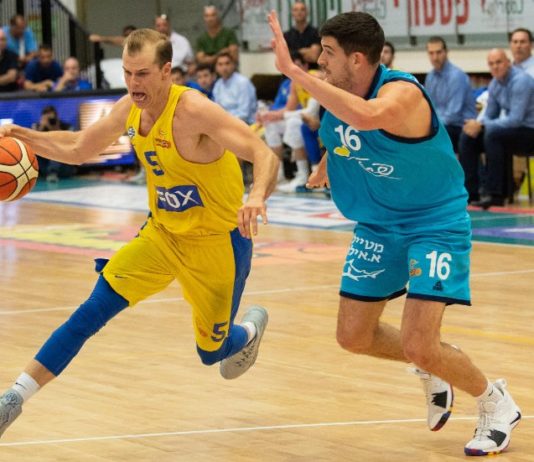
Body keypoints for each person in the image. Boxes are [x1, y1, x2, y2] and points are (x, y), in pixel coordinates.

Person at [0, 28, 279, 438]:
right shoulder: (129, 107)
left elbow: (263, 153)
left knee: (212, 352)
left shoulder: (193, 110)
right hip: (161, 236)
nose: (133, 83)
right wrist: (20, 135)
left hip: (217, 244)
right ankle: (13, 398)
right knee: (92, 310)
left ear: (167, 71)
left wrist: (255, 196)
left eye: (143, 73)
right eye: (128, 73)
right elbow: (79, 147)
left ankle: (248, 332)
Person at [269, 10, 521, 457]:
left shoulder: (402, 93)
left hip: (434, 224)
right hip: (379, 226)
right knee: (353, 337)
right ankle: (433, 363)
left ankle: (495, 402)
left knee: (420, 342)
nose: (320, 61)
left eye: (328, 53)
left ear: (357, 59)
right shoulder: (342, 94)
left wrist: (293, 72)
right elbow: (344, 133)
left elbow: (368, 119)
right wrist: (327, 162)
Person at [459, 48, 534, 208]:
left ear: (508, 63)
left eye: (499, 62)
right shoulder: (494, 84)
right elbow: (489, 115)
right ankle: (471, 193)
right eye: (491, 64)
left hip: (529, 131)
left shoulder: (521, 81)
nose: (495, 66)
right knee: (468, 136)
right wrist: (476, 125)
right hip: (512, 131)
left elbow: (515, 119)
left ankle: (495, 194)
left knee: (493, 134)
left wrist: (482, 124)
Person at [425, 36, 476, 153]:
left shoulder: (456, 76)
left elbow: (453, 115)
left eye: (438, 52)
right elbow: (430, 108)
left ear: (446, 52)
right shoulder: (430, 77)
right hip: (444, 124)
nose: (435, 57)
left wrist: (431, 125)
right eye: (431, 53)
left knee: (432, 135)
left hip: (461, 126)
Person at [31, 105, 75, 182]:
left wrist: (54, 128)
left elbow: (69, 143)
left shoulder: (66, 127)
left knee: (56, 148)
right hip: (43, 166)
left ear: (57, 117)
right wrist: (42, 127)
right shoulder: (37, 127)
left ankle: (52, 172)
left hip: (63, 166)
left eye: (52, 118)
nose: (50, 120)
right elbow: (33, 143)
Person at [213, 51, 257, 124]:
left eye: (227, 63)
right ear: (216, 68)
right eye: (220, 64)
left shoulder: (243, 82)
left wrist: (223, 121)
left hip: (245, 124)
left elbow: (244, 114)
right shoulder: (218, 85)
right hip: (225, 122)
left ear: (233, 65)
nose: (224, 67)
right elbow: (218, 110)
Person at [283, 1, 321, 66]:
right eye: (296, 10)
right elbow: (285, 58)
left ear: (307, 12)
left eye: (302, 9)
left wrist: (294, 53)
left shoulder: (315, 32)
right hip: (292, 71)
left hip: (312, 71)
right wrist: (303, 51)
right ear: (292, 13)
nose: (299, 12)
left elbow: (314, 57)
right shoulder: (286, 35)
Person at [0, 28, 19, 92]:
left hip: (9, 93)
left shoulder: (12, 55)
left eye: (3, 39)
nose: (1, 42)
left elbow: (11, 77)